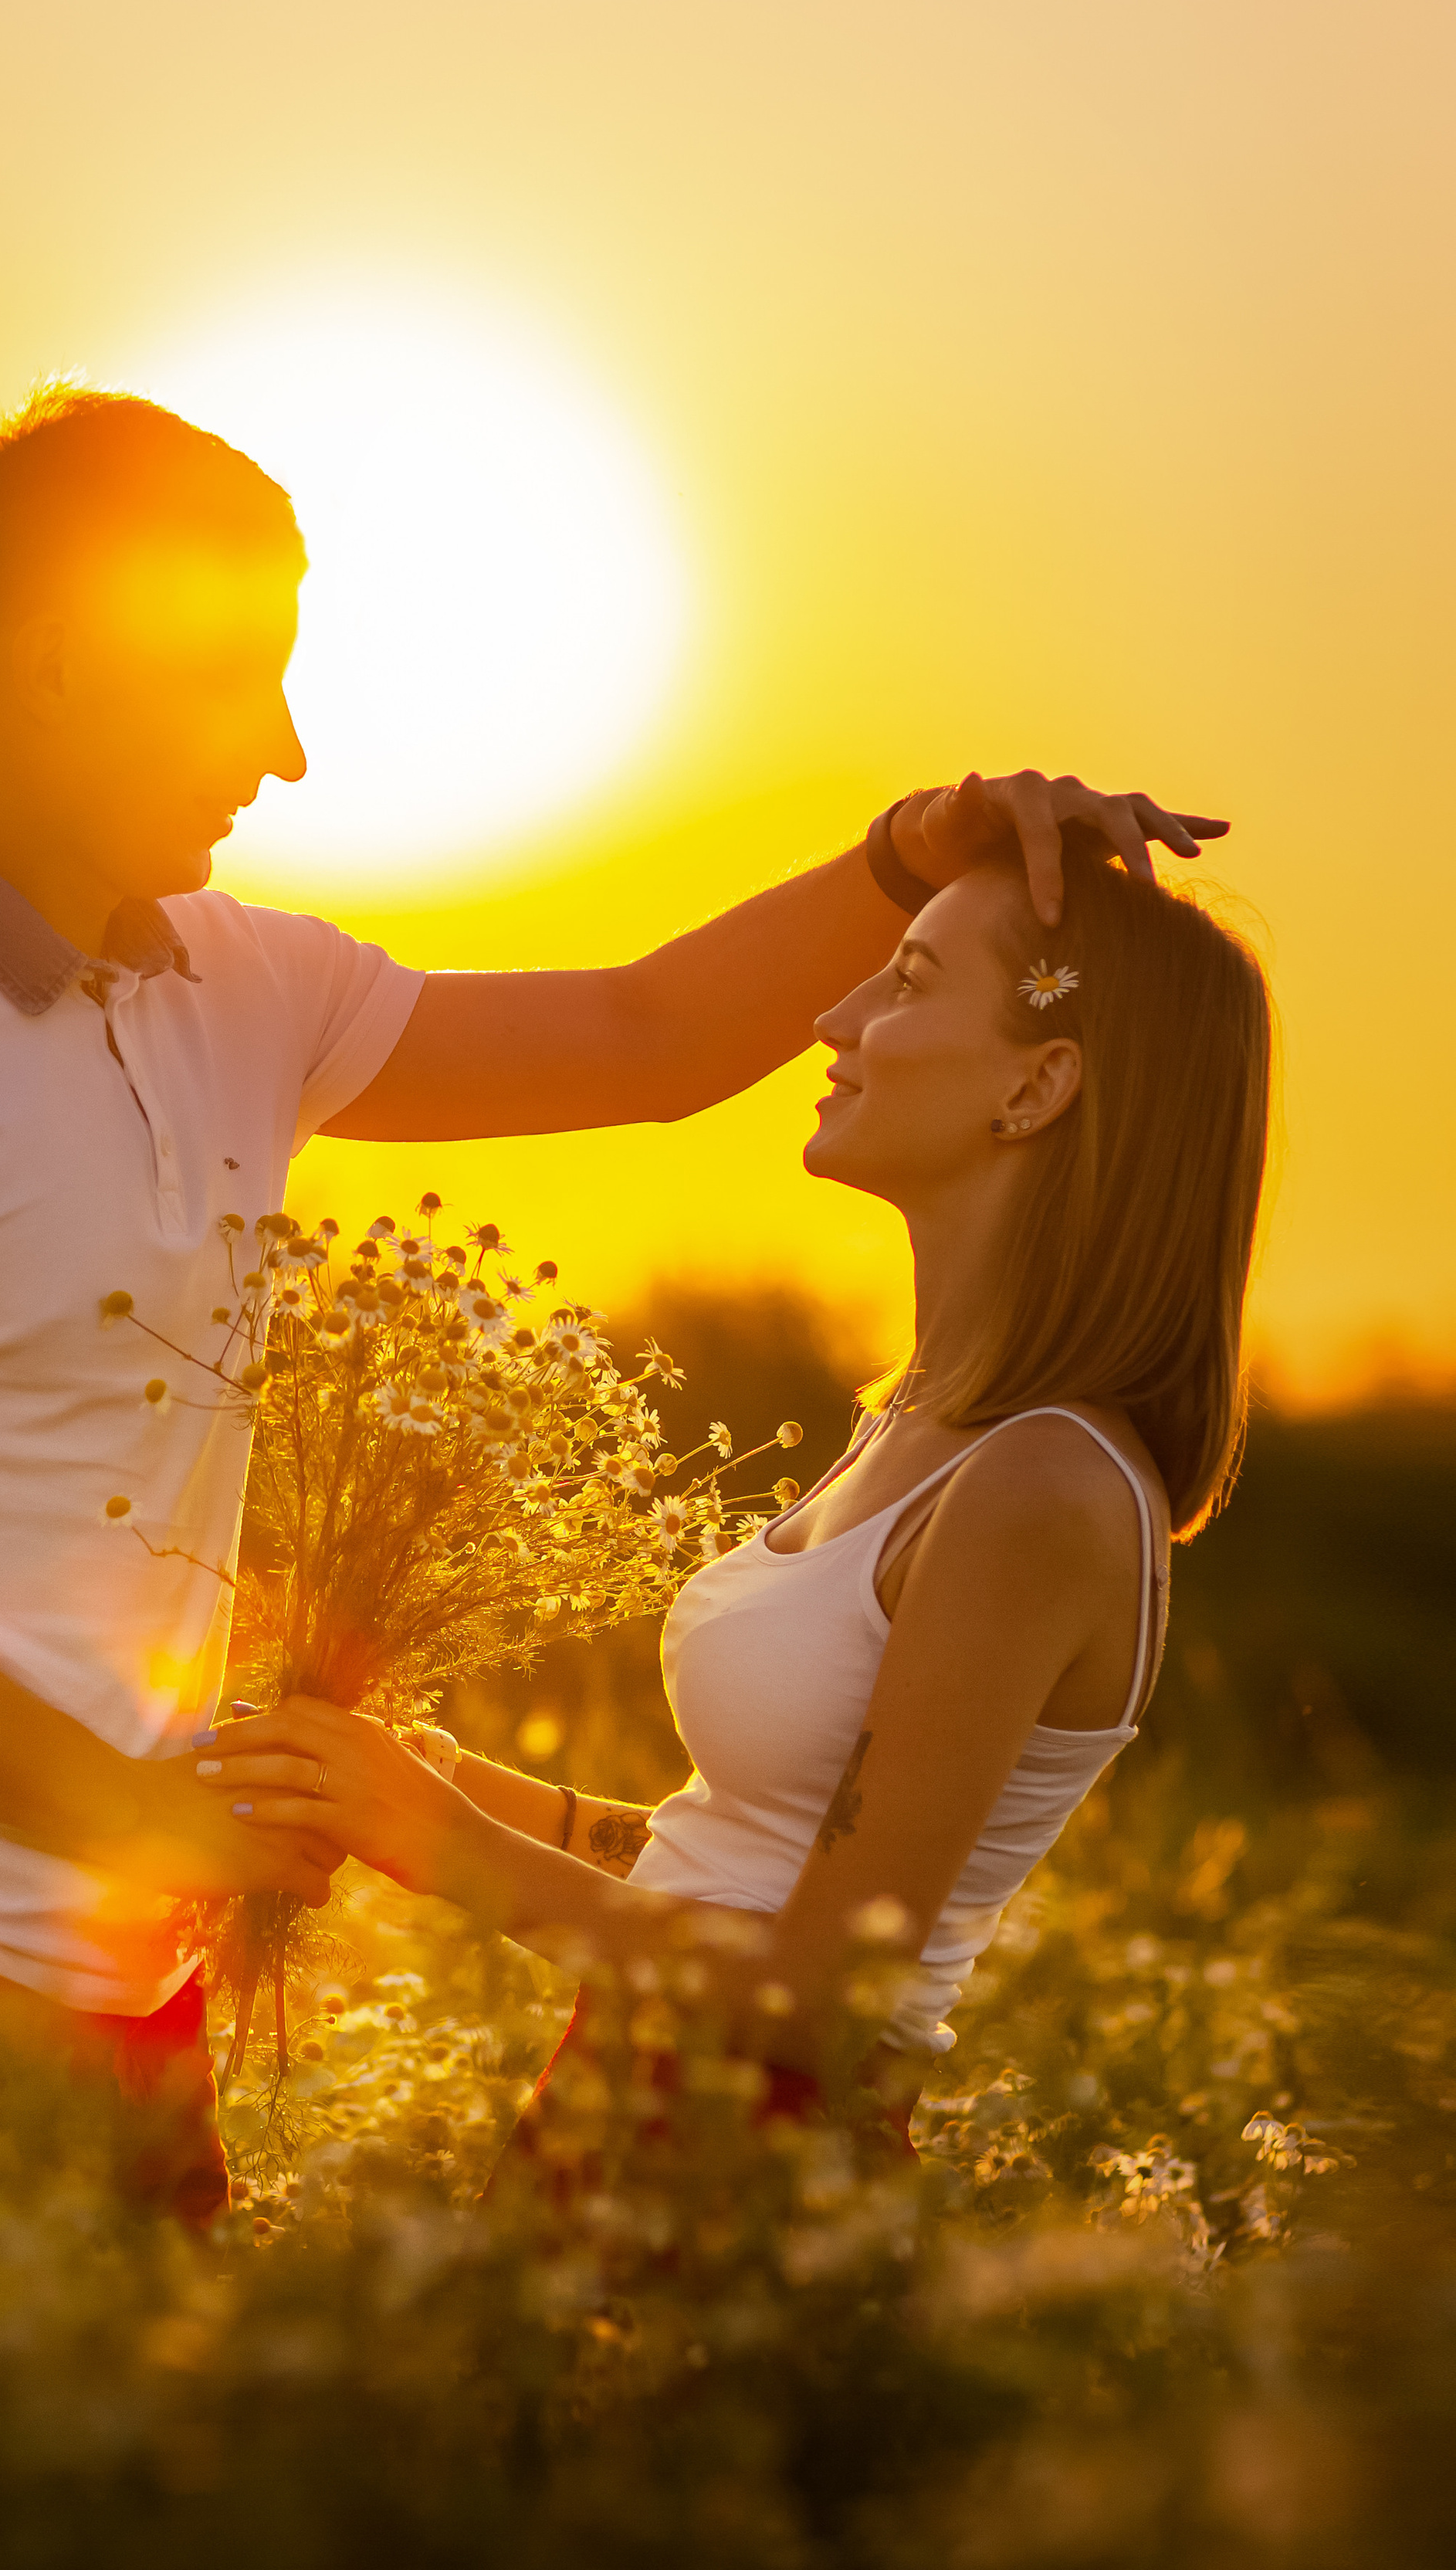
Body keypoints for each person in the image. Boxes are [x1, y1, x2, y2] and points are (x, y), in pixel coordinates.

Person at [0, 380, 1226, 2214]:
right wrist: (142, 1815)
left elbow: (644, 1032)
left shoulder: (241, 989)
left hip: (122, 2000)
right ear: (60, 663)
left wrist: (905, 858)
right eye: (239, 680)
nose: (290, 751)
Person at [191, 832, 1271, 2162]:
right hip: (632, 2116)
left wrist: (448, 1848)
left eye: (911, 982)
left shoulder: (1040, 1485)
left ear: (1040, 1084)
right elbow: (757, 1858)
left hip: (749, 2168)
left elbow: (822, 1998)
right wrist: (475, 1791)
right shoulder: (911, 1418)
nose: (838, 1018)